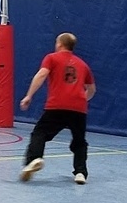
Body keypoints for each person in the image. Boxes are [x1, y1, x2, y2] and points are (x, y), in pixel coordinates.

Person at [18, 32, 96, 184]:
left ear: (59, 44)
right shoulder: (82, 64)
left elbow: (41, 75)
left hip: (57, 105)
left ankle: (34, 159)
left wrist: (29, 96)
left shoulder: (52, 58)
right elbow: (92, 89)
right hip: (79, 107)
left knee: (40, 133)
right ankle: (80, 172)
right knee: (79, 141)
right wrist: (81, 100)